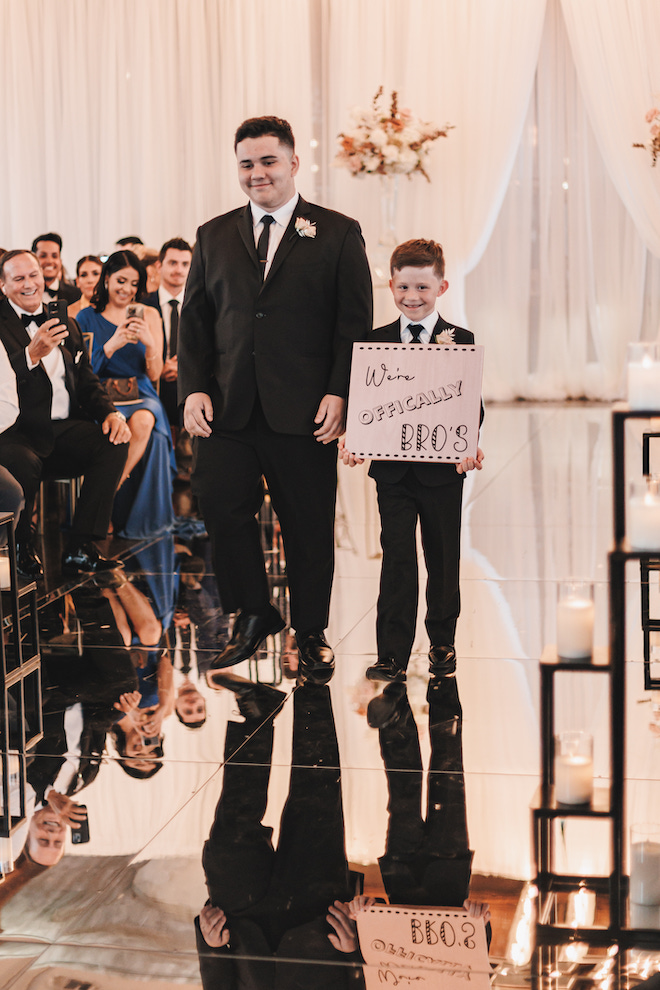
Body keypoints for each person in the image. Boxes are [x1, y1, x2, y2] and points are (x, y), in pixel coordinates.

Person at [178, 115, 372, 685]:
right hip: (228, 406)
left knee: (308, 524)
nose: (257, 173)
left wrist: (341, 391)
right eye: (246, 163)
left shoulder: (337, 232)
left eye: (267, 161)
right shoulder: (213, 234)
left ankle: (310, 632)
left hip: (306, 409)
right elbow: (194, 321)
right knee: (219, 503)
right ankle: (254, 610)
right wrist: (192, 388)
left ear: (292, 162)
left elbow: (352, 323)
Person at [340, 239, 483, 709]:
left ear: (441, 286)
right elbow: (364, 405)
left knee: (442, 558)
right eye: (404, 286)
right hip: (394, 475)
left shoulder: (459, 339)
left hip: (443, 474)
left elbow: (470, 408)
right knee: (397, 559)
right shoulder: (375, 341)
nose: (413, 296)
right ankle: (392, 654)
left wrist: (467, 446)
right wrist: (354, 439)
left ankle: (442, 642)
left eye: (423, 286)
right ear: (391, 284)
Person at [0, 249, 130, 578]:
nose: (29, 284)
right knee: (21, 463)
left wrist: (110, 414)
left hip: (63, 429)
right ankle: (20, 546)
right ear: (3, 286)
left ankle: (81, 547)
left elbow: (87, 380)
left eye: (34, 275)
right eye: (18, 279)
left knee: (114, 442)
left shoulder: (65, 321)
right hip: (18, 432)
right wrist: (30, 354)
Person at [77, 251, 175, 538]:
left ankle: (105, 497)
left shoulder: (150, 315)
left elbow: (155, 374)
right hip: (101, 393)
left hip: (141, 392)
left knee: (145, 421)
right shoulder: (86, 317)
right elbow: (85, 371)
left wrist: (148, 343)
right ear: (106, 279)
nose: (127, 289)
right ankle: (106, 505)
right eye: (121, 281)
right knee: (131, 428)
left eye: (134, 284)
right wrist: (111, 344)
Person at [144, 237, 193, 426]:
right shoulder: (144, 304)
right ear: (159, 265)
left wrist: (183, 368)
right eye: (172, 263)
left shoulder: (200, 303)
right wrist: (157, 365)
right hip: (153, 381)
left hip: (189, 380)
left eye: (185, 264)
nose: (179, 270)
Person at [31, 232, 80, 305]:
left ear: (60, 261)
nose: (49, 261)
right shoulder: (25, 293)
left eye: (54, 256)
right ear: (33, 259)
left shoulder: (77, 294)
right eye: (43, 256)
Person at [67, 254, 103, 319]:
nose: (90, 280)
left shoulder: (116, 309)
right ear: (77, 281)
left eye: (96, 274)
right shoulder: (68, 313)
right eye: (83, 275)